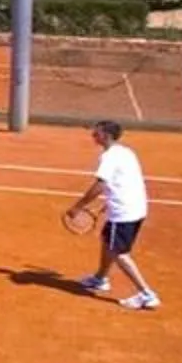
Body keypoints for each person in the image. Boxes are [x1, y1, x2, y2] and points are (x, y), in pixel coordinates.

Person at [67, 120, 160, 311]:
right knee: (106, 241)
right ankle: (100, 279)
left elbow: (100, 185)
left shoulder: (108, 157)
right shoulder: (126, 152)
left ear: (107, 136)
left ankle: (146, 294)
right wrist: (107, 204)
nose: (93, 135)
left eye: (97, 133)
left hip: (124, 212)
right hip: (136, 207)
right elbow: (125, 181)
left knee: (119, 253)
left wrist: (77, 207)